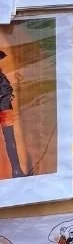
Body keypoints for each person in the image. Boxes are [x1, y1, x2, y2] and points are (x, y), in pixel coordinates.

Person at [0, 48, 26, 177]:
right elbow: (6, 90)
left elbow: (6, 90)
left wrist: (8, 95)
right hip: (5, 110)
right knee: (10, 139)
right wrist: (7, 96)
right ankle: (16, 170)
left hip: (5, 110)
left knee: (10, 140)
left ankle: (16, 170)